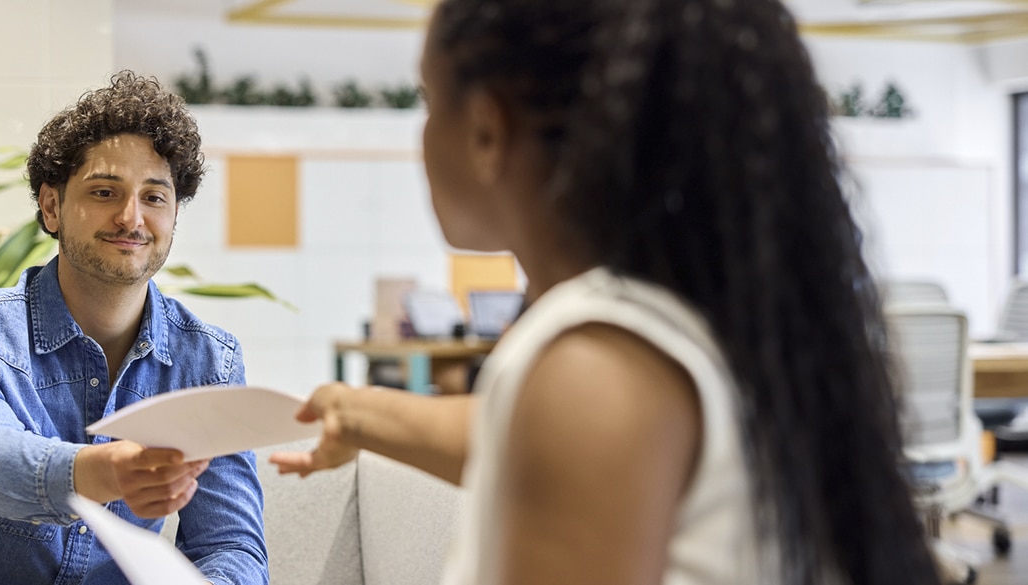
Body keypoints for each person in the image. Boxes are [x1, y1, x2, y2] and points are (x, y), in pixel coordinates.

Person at [270, 1, 942, 584]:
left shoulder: (589, 369)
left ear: (484, 131)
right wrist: (355, 414)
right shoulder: (685, 323)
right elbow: (513, 439)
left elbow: (572, 423)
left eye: (426, 99)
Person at [0, 71, 268, 585]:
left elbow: (230, 544)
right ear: (51, 206)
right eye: (105, 192)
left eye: (154, 197)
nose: (131, 218)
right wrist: (105, 472)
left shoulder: (209, 363)